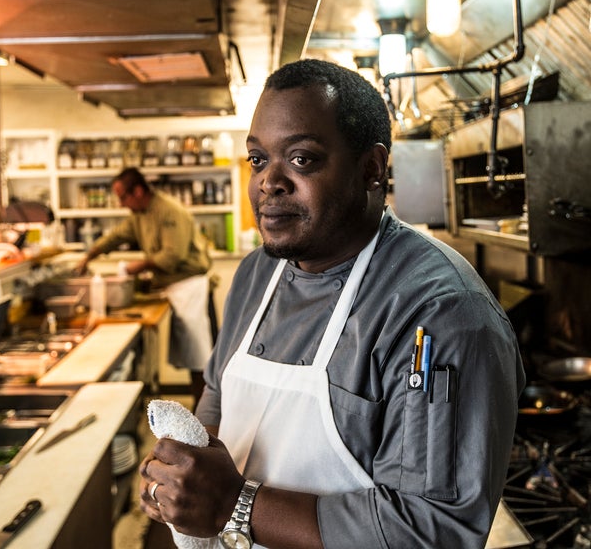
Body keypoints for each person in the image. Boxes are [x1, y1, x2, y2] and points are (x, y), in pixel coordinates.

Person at [139, 59, 525, 549]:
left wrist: (235, 505)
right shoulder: (256, 273)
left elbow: (431, 531)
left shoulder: (442, 314)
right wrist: (178, 479)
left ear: (371, 169)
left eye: (301, 159)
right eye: (258, 159)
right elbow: (215, 416)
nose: (268, 183)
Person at [75, 167, 211, 287]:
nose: (121, 204)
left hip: (191, 286)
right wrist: (90, 255)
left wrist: (142, 265)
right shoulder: (139, 214)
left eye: (123, 198)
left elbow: (172, 255)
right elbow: (116, 236)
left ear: (138, 191)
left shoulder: (169, 211)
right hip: (171, 285)